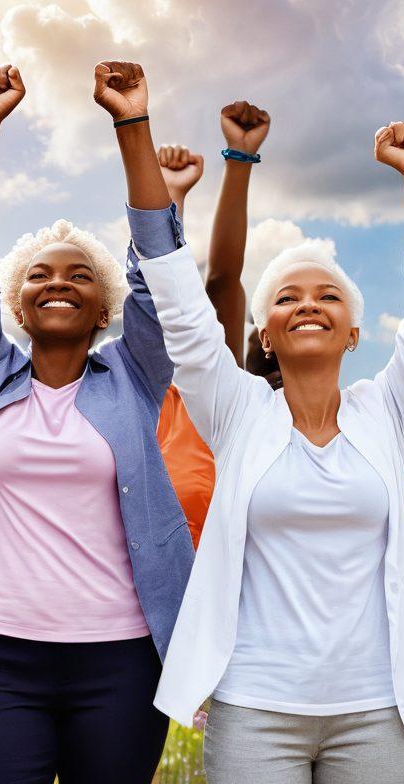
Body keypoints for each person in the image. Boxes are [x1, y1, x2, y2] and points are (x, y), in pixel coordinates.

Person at [111, 73, 404, 782]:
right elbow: (179, 296)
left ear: (355, 331)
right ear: (264, 335)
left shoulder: (385, 412)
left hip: (379, 709)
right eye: (287, 297)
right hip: (256, 708)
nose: (309, 303)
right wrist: (134, 129)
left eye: (328, 294)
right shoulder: (238, 412)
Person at [0, 63, 194, 784]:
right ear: (18, 307)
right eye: (38, 276)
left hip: (121, 658)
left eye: (79, 276)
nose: (57, 280)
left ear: (105, 311)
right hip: (0, 656)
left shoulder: (136, 374)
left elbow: (161, 266)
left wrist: (132, 126)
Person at [154, 99, 272, 546]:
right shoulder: (147, 408)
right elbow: (164, 291)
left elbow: (223, 280)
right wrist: (170, 199)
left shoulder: (234, 407)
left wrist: (240, 160)